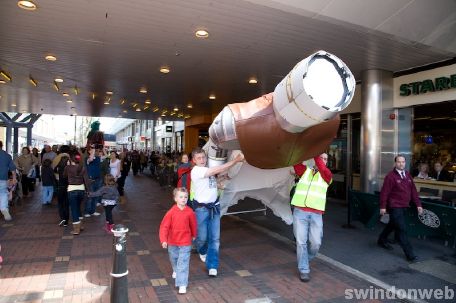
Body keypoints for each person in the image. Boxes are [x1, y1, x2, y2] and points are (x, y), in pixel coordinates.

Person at [190, 147, 244, 277]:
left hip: (214, 207)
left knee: (215, 238)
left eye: (203, 157)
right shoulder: (197, 171)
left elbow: (211, 181)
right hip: (201, 210)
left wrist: (220, 181)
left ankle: (212, 265)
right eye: (199, 158)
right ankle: (202, 250)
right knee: (201, 238)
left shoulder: (207, 171)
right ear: (194, 161)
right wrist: (236, 160)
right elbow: (218, 169)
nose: (202, 160)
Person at [290, 153, 332, 282]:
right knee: (300, 242)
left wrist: (315, 153)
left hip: (316, 214)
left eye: (325, 159)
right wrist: (305, 149)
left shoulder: (327, 175)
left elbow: (321, 167)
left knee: (316, 243)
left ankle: (305, 259)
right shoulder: (305, 171)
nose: (322, 160)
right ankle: (304, 269)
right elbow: (296, 163)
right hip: (300, 211)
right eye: (321, 158)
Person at [378, 155, 423, 263]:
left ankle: (381, 240)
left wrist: (418, 204)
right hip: (395, 206)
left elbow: (413, 191)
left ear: (405, 163)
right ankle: (410, 255)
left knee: (392, 224)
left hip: (404, 206)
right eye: (399, 162)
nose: (401, 164)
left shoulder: (407, 175)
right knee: (402, 229)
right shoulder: (390, 176)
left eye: (403, 162)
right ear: (395, 163)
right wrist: (383, 206)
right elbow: (384, 193)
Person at [159, 187, 197, 294]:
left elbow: (193, 224)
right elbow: (164, 227)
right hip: (172, 242)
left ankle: (182, 284)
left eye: (185, 197)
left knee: (183, 263)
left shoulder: (190, 212)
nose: (183, 199)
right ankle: (175, 270)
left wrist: (194, 234)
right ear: (175, 198)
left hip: (185, 242)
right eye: (181, 197)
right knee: (174, 259)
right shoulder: (171, 212)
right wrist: (163, 240)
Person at [64, 153, 90, 235]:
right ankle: (80, 225)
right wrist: (88, 190)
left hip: (72, 190)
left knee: (74, 209)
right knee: (78, 208)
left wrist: (68, 165)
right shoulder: (83, 167)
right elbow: (86, 180)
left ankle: (76, 229)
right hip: (81, 189)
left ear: (71, 160)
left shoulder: (68, 167)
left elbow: (64, 176)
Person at [0, 141, 17, 221]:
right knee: (3, 194)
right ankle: (4, 209)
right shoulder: (7, 156)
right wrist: (14, 178)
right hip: (3, 179)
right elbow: (13, 168)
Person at [85, 147, 103, 217]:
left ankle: (93, 211)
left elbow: (106, 156)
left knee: (96, 196)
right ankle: (87, 211)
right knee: (90, 196)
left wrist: (102, 148)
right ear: (89, 151)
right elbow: (91, 159)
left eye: (96, 150)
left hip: (98, 179)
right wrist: (93, 150)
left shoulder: (98, 158)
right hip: (91, 180)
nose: (95, 151)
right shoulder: (87, 159)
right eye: (92, 150)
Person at [54, 152, 70, 226]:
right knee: (66, 204)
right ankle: (66, 219)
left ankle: (62, 218)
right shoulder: (70, 169)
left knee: (60, 204)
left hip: (60, 187)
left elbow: (55, 174)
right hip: (68, 188)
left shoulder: (58, 168)